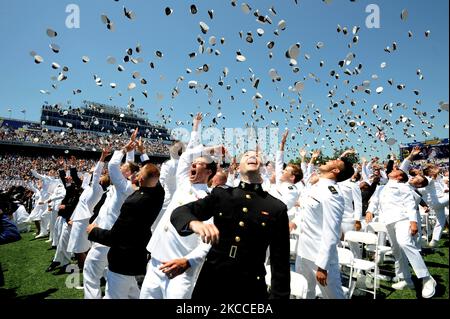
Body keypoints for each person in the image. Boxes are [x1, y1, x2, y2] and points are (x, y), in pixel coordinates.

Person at [171, 150, 290, 300]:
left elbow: (281, 263)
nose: (252, 156)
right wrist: (194, 223)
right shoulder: (222, 195)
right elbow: (180, 212)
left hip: (249, 286)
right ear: (238, 167)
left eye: (256, 155)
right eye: (246, 155)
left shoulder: (276, 207)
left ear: (262, 166)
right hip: (212, 281)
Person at [87, 162, 165, 299]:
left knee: (114, 295)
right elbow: (153, 178)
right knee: (132, 292)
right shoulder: (158, 195)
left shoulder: (133, 203)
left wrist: (94, 231)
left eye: (139, 173)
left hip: (122, 259)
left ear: (140, 179)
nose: (136, 174)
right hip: (137, 255)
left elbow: (115, 237)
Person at [366, 169, 436, 298]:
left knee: (405, 243)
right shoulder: (381, 188)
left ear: (399, 177)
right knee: (396, 250)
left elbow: (410, 204)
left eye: (396, 170)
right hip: (387, 221)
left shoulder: (403, 186)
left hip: (402, 220)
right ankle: (405, 279)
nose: (392, 170)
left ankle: (426, 278)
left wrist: (413, 222)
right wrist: (370, 211)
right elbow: (375, 201)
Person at [291, 154, 354, 299]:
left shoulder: (333, 194)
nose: (329, 159)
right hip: (303, 251)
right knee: (305, 292)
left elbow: (332, 231)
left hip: (319, 257)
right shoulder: (316, 186)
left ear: (336, 171)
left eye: (335, 161)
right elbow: (306, 209)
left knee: (333, 296)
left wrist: (323, 265)